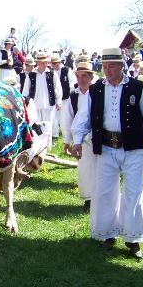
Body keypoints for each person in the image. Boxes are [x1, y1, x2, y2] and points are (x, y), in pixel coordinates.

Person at [72, 47, 143, 259]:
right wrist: (78, 139)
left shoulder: (138, 88)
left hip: (133, 149)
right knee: (105, 192)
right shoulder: (96, 89)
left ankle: (133, 238)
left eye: (111, 67)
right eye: (105, 67)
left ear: (121, 66)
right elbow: (85, 116)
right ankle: (108, 234)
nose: (107, 71)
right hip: (106, 148)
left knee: (133, 193)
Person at [61, 62, 97, 212]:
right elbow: (67, 118)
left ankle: (100, 199)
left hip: (99, 137)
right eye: (78, 76)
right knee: (84, 170)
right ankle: (88, 199)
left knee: (101, 169)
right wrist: (67, 140)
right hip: (80, 140)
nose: (81, 79)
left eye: (84, 76)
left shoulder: (98, 93)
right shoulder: (74, 96)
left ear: (91, 77)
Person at [22, 51, 63, 149]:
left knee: (48, 126)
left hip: (49, 105)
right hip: (35, 105)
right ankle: (37, 146)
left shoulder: (52, 74)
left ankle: (47, 147)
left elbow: (58, 88)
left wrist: (59, 101)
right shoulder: (31, 75)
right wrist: (25, 103)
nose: (45, 64)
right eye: (43, 63)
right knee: (36, 126)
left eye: (46, 62)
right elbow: (25, 90)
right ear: (38, 63)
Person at [50, 53, 77, 138]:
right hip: (55, 98)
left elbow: (73, 82)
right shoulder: (50, 72)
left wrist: (70, 93)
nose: (54, 65)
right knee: (54, 118)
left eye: (56, 63)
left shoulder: (66, 70)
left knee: (65, 118)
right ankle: (55, 135)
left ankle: (67, 136)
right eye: (53, 63)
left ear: (59, 62)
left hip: (65, 98)